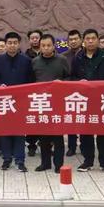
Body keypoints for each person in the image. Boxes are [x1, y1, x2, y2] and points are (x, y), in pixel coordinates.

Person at [71, 29, 104, 174]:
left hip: (103, 100)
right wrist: (79, 81)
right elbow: (72, 77)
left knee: (103, 132)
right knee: (85, 132)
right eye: (88, 39)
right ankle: (87, 161)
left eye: (93, 38)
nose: (90, 41)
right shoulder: (78, 57)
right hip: (84, 101)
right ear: (84, 41)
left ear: (97, 40)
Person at [0, 32, 34, 172]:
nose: (12, 45)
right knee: (5, 131)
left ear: (19, 44)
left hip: (20, 102)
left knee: (19, 132)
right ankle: (6, 159)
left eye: (15, 43)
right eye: (9, 43)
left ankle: (20, 159)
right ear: (5, 44)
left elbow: (31, 81)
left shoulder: (26, 61)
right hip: (3, 102)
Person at [32, 34, 69, 173]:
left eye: (49, 45)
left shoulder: (62, 60)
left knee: (58, 137)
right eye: (43, 46)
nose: (46, 48)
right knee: (43, 137)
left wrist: (63, 83)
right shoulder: (35, 61)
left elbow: (70, 77)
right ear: (40, 47)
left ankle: (58, 164)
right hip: (41, 103)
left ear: (54, 46)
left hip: (58, 103)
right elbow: (31, 80)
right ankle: (45, 163)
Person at [62, 29, 82, 157]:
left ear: (81, 40)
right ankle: (72, 146)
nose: (73, 41)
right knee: (71, 121)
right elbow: (63, 74)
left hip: (86, 91)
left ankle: (85, 146)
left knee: (85, 120)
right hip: (69, 93)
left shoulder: (87, 54)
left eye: (76, 39)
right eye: (71, 40)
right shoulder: (64, 56)